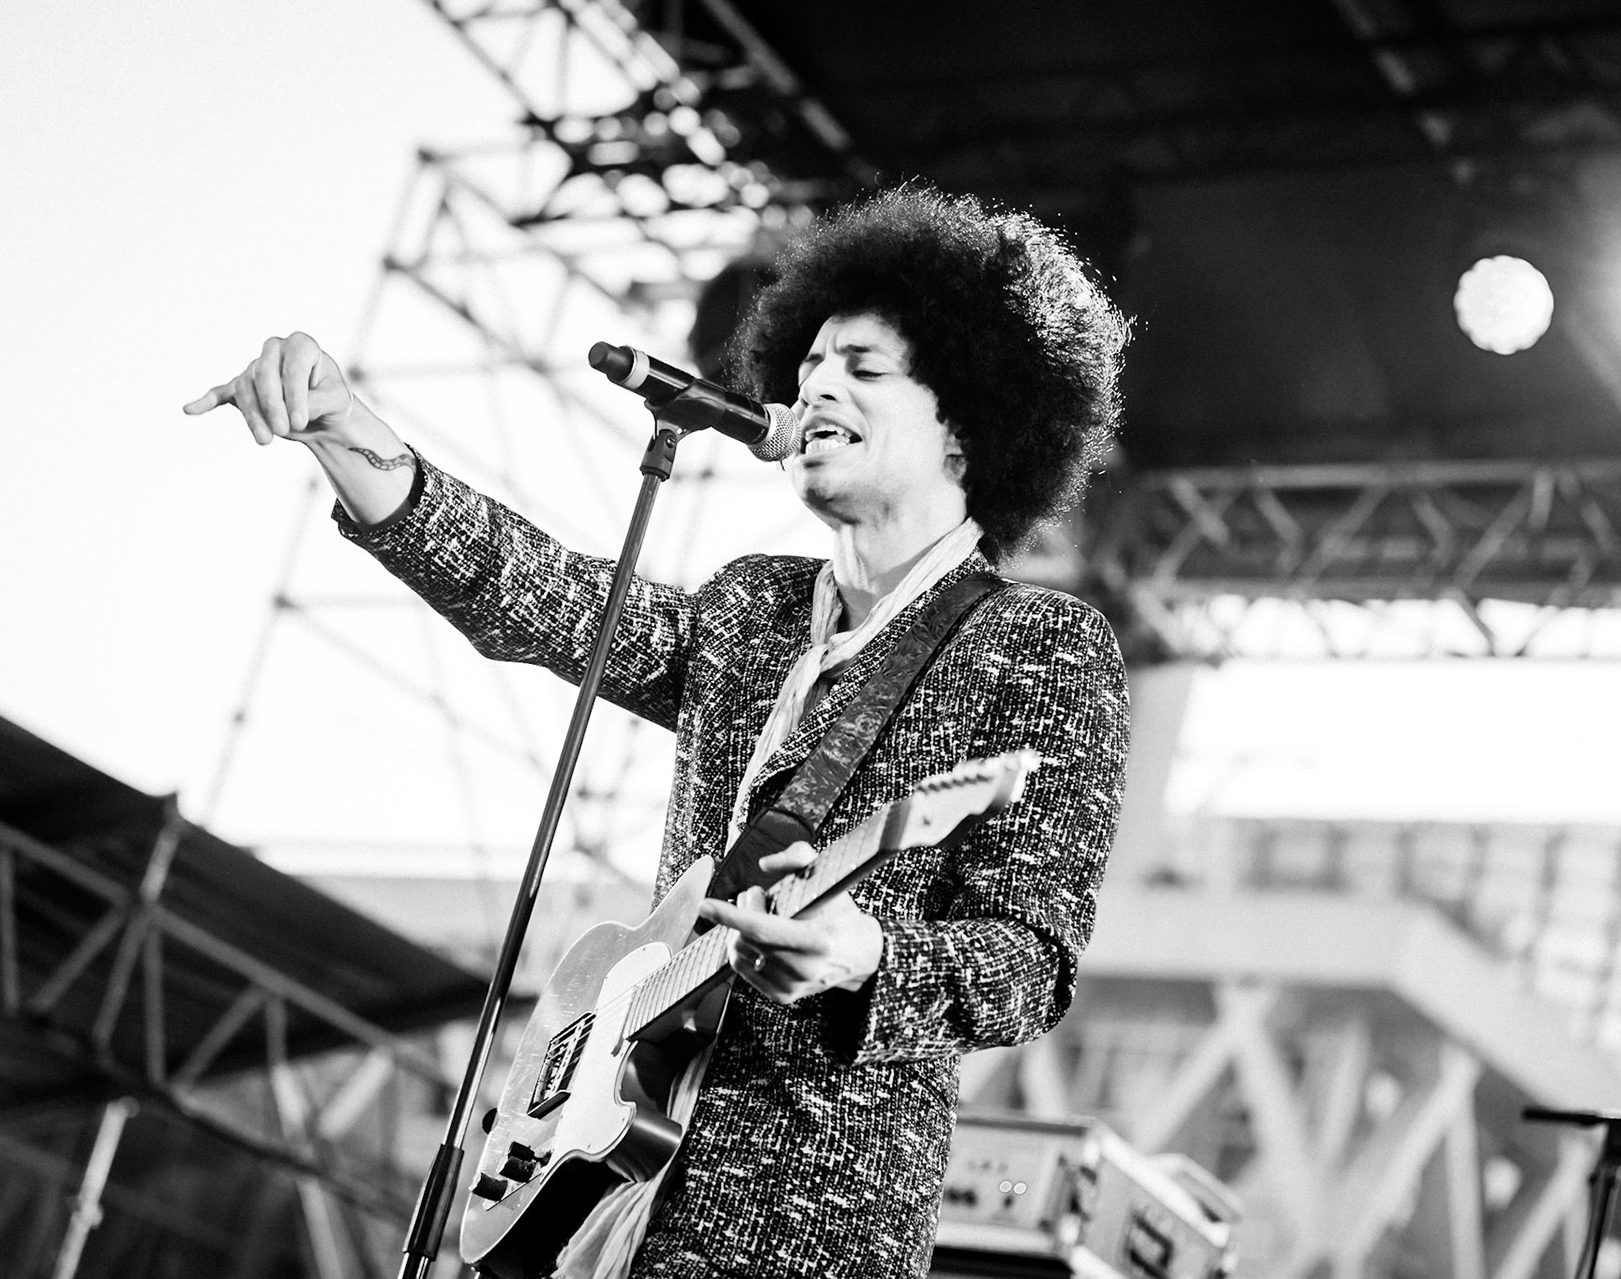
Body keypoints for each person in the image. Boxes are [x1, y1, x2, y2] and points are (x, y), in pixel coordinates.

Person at [184, 185, 1131, 1279]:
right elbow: (541, 599)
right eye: (810, 363)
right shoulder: (749, 609)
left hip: (802, 1217)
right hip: (607, 1200)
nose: (816, 383)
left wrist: (867, 958)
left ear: (969, 421)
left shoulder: (1040, 646)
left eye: (864, 368)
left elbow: (1029, 962)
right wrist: (353, 438)